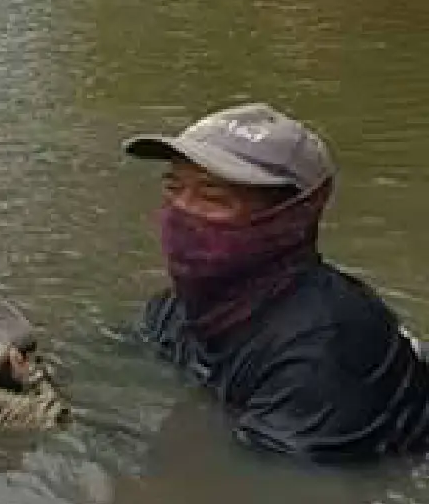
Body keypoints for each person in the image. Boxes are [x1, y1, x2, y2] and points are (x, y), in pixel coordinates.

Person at [126, 101, 429, 465]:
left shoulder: (323, 351)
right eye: (173, 188)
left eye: (212, 197)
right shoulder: (178, 308)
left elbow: (280, 486)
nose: (182, 210)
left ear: (286, 216)